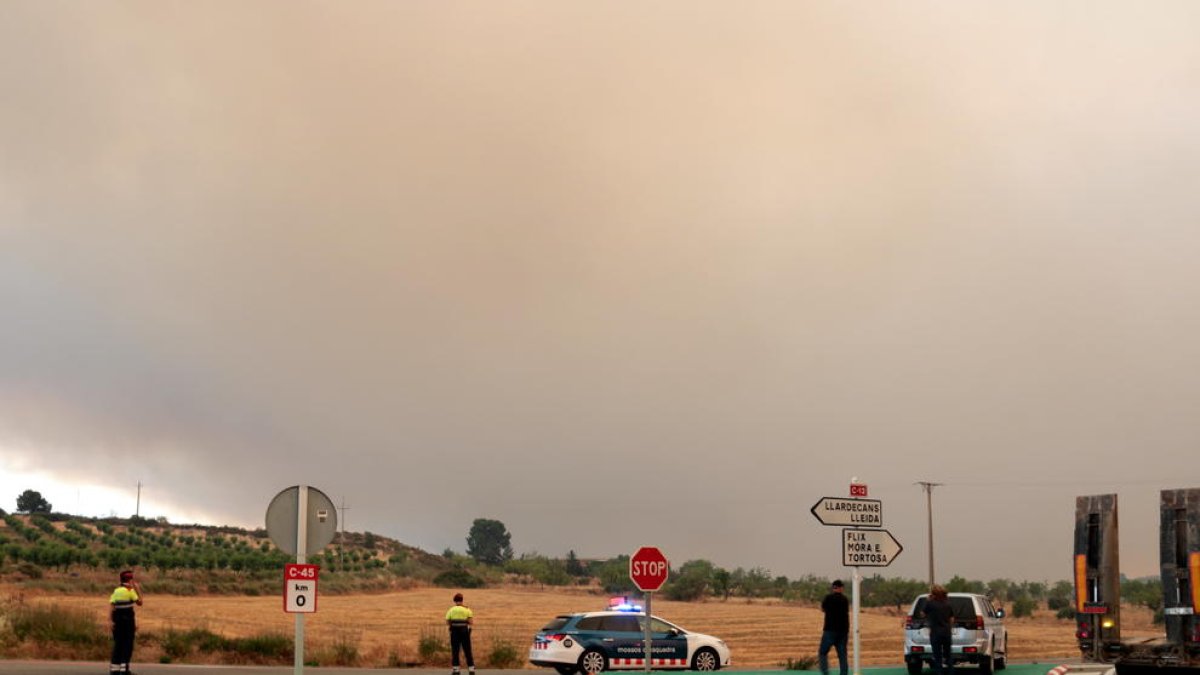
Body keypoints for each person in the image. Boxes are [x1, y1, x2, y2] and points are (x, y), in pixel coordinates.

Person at [109, 569, 143, 674]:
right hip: (127, 621)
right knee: (127, 645)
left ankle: (114, 670)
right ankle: (124, 669)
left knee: (118, 644)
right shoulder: (130, 591)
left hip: (117, 620)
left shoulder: (116, 590)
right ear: (130, 580)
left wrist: (110, 621)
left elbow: (112, 606)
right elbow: (140, 602)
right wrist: (137, 589)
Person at [818, 579, 849, 675]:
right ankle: (843, 673)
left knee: (823, 652)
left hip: (830, 630)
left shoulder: (828, 598)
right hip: (843, 631)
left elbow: (823, 609)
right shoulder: (845, 599)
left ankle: (825, 672)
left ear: (833, 588)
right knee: (842, 655)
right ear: (841, 588)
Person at [925, 585, 956, 675]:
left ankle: (939, 672)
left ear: (934, 594)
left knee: (937, 656)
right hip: (946, 633)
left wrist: (928, 601)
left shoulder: (930, 604)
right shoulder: (947, 604)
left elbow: (923, 613)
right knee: (948, 655)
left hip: (935, 633)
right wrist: (948, 626)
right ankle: (951, 672)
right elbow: (952, 618)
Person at [445, 592, 475, 675]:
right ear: (462, 600)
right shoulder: (467, 609)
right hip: (464, 631)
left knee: (455, 650)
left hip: (454, 632)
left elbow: (447, 622)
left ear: (455, 601)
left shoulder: (451, 610)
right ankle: (471, 669)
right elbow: (471, 622)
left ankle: (456, 670)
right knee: (467, 650)